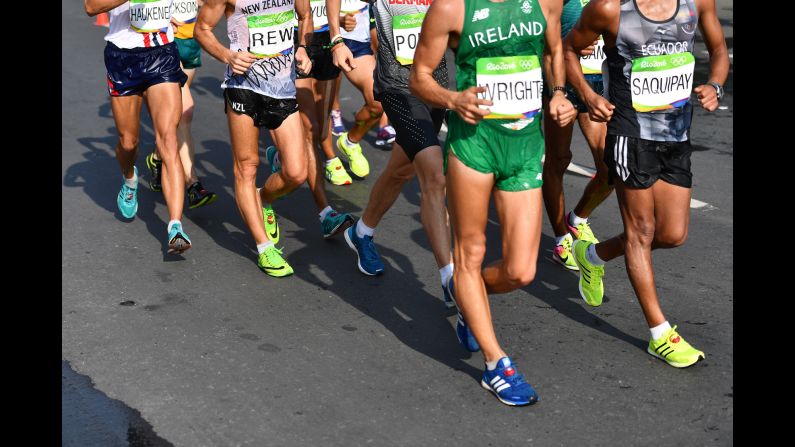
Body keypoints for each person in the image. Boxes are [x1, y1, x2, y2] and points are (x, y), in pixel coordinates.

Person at [410, 0, 576, 406]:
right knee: (472, 252)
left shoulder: (547, 3)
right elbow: (419, 77)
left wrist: (557, 93)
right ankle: (495, 363)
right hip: (475, 147)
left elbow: (554, 50)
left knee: (521, 270)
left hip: (524, 146)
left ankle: (468, 296)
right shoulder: (451, 8)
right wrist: (453, 100)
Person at [563, 0, 729, 368]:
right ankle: (660, 334)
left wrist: (715, 84)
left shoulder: (696, 3)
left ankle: (592, 256)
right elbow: (570, 50)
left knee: (672, 235)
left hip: (676, 134)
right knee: (641, 230)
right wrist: (589, 96)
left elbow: (718, 49)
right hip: (629, 135)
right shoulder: (609, 9)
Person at [195, 0, 314, 277]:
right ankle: (264, 248)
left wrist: (303, 49)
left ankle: (263, 198)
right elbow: (202, 29)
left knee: (297, 172)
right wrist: (228, 56)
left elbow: (305, 15)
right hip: (243, 88)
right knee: (246, 167)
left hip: (282, 88)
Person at [84, 0, 194, 254]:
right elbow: (91, 6)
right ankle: (130, 178)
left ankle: (175, 225)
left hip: (162, 55)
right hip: (123, 58)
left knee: (168, 140)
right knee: (128, 142)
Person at [542, 0, 612, 270]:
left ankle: (578, 219)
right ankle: (562, 239)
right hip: (564, 80)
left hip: (598, 82)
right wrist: (567, 46)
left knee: (611, 168)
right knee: (559, 159)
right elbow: (542, 35)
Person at [145, 0, 219, 210]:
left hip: (192, 40)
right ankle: (193, 185)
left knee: (175, 118)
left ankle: (158, 157)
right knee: (185, 110)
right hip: (167, 43)